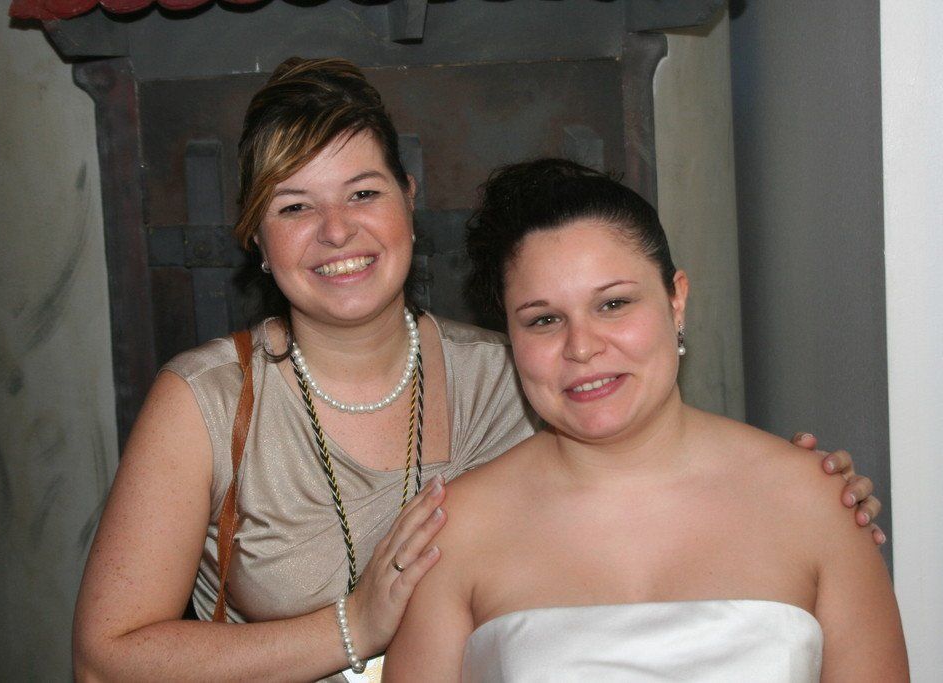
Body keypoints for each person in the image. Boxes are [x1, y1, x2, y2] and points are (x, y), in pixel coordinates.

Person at [72, 59, 882, 682]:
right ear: (256, 237)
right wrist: (353, 624)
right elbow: (104, 657)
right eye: (294, 206)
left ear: (408, 199)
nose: (336, 230)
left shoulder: (521, 372)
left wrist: (804, 499)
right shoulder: (208, 399)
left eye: (362, 192)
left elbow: (646, 465)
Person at [385, 159, 908, 681]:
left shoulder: (814, 500)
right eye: (544, 319)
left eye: (613, 304)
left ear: (676, 301)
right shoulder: (455, 531)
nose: (582, 347)